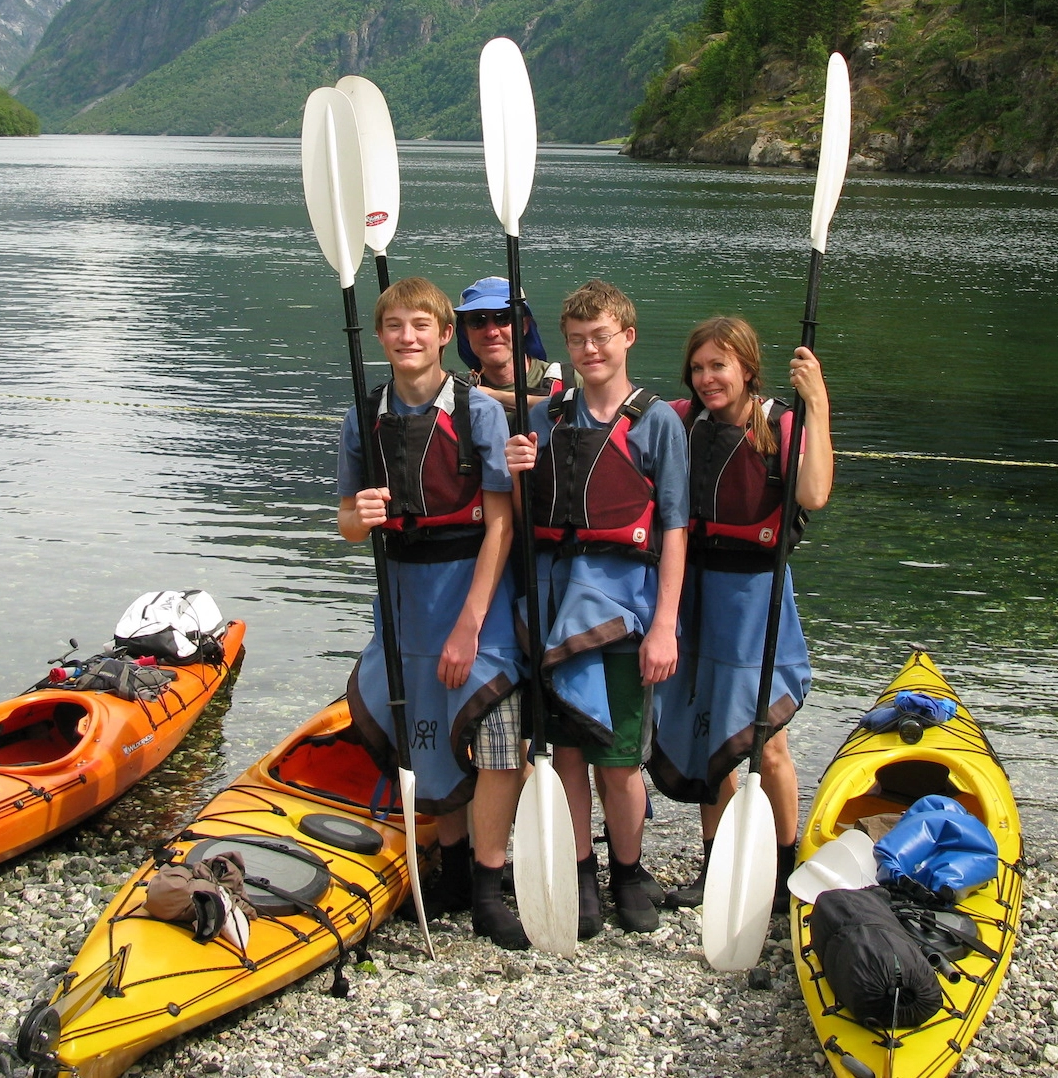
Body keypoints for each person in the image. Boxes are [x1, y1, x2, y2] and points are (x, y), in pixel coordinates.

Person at [336, 276, 529, 949]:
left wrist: (472, 622)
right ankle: (447, 871)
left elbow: (501, 524)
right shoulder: (365, 417)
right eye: (395, 327)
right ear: (382, 337)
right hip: (405, 602)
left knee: (498, 739)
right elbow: (347, 522)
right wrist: (357, 520)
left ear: (446, 335)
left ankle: (487, 882)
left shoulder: (478, 413)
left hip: (475, 595)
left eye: (422, 325)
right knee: (424, 731)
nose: (408, 337)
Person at [504, 279, 688, 936]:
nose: (589, 350)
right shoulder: (545, 419)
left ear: (627, 337)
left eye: (600, 336)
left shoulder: (657, 421)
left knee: (617, 758)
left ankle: (630, 871)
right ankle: (581, 869)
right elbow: (523, 520)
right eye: (577, 340)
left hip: (624, 617)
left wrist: (664, 626)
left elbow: (673, 527)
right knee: (570, 755)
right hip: (556, 613)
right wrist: (518, 472)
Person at [649, 316, 833, 914]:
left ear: (747, 368)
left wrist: (817, 403)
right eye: (699, 368)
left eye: (719, 366)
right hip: (696, 589)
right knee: (711, 738)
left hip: (756, 595)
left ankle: (783, 869)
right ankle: (716, 866)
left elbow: (813, 494)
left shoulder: (782, 423)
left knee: (767, 742)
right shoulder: (680, 421)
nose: (707, 379)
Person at [454, 276, 576, 411]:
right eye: (477, 321)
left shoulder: (572, 381)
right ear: (465, 331)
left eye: (503, 318)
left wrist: (494, 396)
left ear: (524, 325)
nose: (491, 332)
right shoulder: (455, 398)